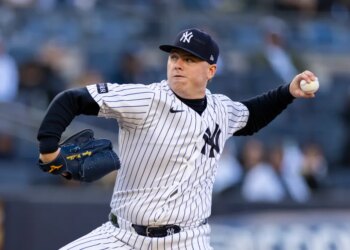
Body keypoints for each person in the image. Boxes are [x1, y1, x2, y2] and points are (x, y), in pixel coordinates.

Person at [37, 28, 318, 250]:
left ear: (211, 70)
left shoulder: (221, 110)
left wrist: (288, 92)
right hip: (123, 238)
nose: (178, 64)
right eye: (174, 57)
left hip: (187, 241)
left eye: (189, 59)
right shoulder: (146, 99)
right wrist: (49, 151)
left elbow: (252, 115)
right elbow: (70, 100)